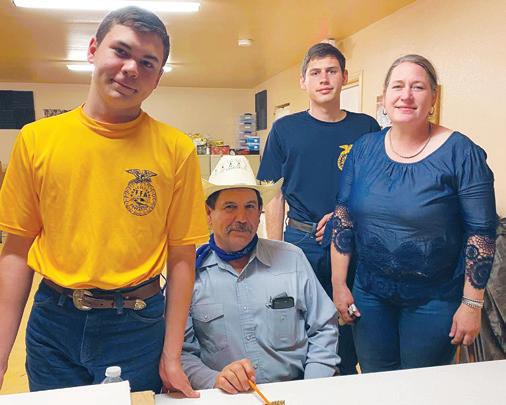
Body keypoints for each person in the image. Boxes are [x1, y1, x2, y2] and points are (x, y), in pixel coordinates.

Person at [0, 7, 208, 395]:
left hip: (138, 325)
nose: (131, 69)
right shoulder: (36, 140)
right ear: (93, 49)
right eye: (121, 51)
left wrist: (172, 356)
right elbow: (16, 251)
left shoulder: (176, 149)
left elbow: (182, 257)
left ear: (158, 78)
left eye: (147, 63)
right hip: (54, 323)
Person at [330, 54, 497, 372]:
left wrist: (471, 304)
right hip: (370, 295)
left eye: (418, 87)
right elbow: (343, 217)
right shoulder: (363, 149)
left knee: (421, 387)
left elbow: (481, 233)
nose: (406, 95)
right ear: (384, 97)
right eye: (398, 86)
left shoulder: (461, 153)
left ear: (433, 98)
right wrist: (339, 284)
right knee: (377, 381)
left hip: (434, 300)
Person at [257, 42, 380, 374]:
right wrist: (275, 250)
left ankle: (345, 378)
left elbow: (377, 188)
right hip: (302, 241)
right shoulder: (285, 129)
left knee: (350, 319)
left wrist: (343, 216)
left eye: (331, 71)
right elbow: (273, 194)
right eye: (315, 73)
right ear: (303, 81)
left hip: (355, 241)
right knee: (300, 321)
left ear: (344, 76)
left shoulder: (367, 128)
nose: (324, 79)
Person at [181, 156, 340, 393]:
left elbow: (324, 328)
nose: (242, 218)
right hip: (225, 397)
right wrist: (215, 379)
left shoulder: (292, 259)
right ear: (208, 213)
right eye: (230, 207)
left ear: (259, 213)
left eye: (250, 207)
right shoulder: (189, 275)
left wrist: (311, 390)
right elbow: (181, 352)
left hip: (296, 390)